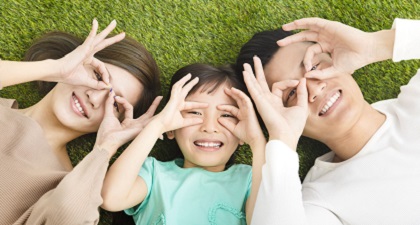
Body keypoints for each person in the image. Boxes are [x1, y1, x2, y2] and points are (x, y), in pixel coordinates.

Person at [236, 17, 420, 224]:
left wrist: (376, 45)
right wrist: (282, 137)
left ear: (336, 59)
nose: (314, 89)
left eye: (314, 67)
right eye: (292, 94)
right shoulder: (320, 198)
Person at [0, 19, 161, 225]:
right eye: (97, 75)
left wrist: (106, 147)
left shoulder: (66, 188)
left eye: (114, 104)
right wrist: (54, 69)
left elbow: (69, 216)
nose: (94, 99)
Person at [101, 63, 266, 225]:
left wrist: (257, 141)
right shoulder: (154, 174)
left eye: (226, 115)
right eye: (195, 112)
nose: (209, 127)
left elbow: (270, 218)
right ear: (172, 128)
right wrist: (158, 125)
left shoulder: (250, 180)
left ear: (242, 132)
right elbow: (111, 199)